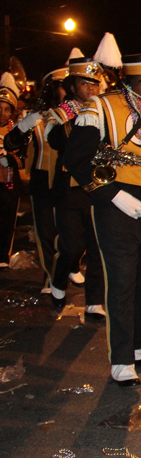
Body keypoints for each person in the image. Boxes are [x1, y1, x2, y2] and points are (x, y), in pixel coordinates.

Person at [63, 12, 141, 389]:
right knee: (121, 278)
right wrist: (114, 195)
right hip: (114, 203)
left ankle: (133, 346)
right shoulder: (101, 107)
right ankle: (119, 358)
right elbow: (76, 160)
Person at [45, 54, 104, 317]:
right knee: (71, 244)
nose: (90, 89)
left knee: (96, 247)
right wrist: (80, 119)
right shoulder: (58, 113)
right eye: (84, 83)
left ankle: (94, 303)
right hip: (68, 188)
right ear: (72, 87)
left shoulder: (104, 111)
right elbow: (54, 139)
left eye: (94, 84)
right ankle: (58, 280)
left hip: (95, 187)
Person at [3, 65, 69, 290]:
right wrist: (22, 128)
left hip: (69, 180)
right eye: (62, 86)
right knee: (46, 232)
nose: (67, 90)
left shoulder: (79, 115)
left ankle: (64, 271)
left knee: (69, 234)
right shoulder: (35, 117)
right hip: (41, 179)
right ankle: (51, 276)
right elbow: (11, 145)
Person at [0, 73, 23, 267]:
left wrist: (11, 159)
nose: (2, 112)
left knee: (7, 219)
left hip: (8, 182)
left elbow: (23, 158)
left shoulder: (15, 131)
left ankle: (3, 255)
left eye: (7, 109)